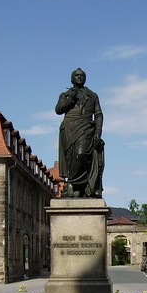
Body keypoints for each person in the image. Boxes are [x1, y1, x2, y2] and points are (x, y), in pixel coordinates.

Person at [55, 68, 105, 198]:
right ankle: (78, 188)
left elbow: (98, 114)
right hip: (68, 128)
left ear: (85, 78)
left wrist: (98, 132)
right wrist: (71, 97)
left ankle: (72, 183)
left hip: (86, 128)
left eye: (82, 75)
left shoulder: (92, 95)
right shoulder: (65, 95)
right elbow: (58, 110)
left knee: (81, 154)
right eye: (76, 75)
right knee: (70, 159)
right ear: (72, 79)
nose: (79, 77)